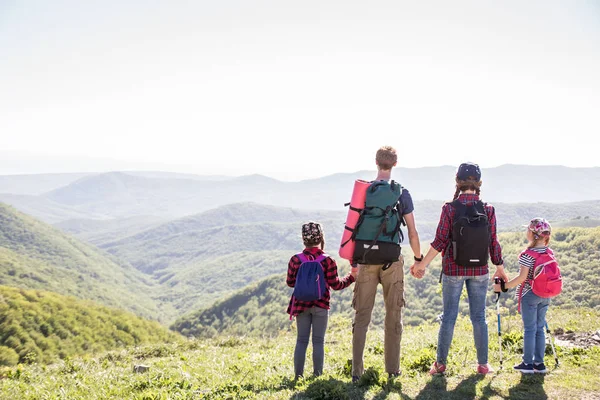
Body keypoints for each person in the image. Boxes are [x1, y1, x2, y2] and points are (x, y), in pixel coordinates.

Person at [411, 162, 508, 375]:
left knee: (449, 317)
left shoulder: (450, 208)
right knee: (479, 317)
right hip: (480, 270)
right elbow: (493, 241)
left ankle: (440, 364)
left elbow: (439, 242)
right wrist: (499, 267)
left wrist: (421, 265)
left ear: (458, 182)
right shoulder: (488, 209)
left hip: (453, 270)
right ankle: (483, 364)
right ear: (479, 183)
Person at [351, 146, 422, 381]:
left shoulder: (365, 191)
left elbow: (352, 227)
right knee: (393, 315)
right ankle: (392, 370)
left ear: (376, 162)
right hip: (392, 260)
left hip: (366, 259)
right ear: (395, 164)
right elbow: (412, 232)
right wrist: (418, 259)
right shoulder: (401, 193)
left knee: (362, 317)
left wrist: (354, 261)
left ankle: (357, 373)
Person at [286, 221, 356, 379]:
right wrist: (351, 278)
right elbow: (336, 284)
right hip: (321, 305)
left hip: (300, 306)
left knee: (301, 340)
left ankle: (298, 376)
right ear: (321, 238)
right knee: (318, 341)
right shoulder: (327, 260)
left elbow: (290, 283)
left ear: (303, 239)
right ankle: (317, 376)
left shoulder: (295, 260)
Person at [494, 217, 554, 374]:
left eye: (528, 229)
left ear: (533, 234)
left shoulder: (528, 254)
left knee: (529, 329)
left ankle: (527, 364)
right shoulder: (549, 252)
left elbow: (522, 278)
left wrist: (503, 287)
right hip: (546, 295)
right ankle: (539, 364)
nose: (526, 231)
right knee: (539, 328)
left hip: (530, 294)